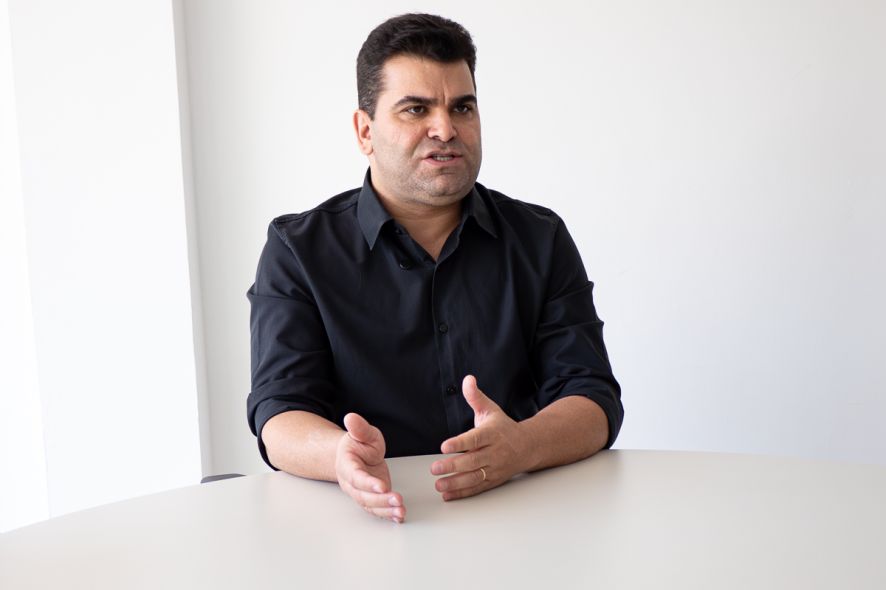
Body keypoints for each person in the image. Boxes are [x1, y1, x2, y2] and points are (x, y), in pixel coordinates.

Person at [247, 13, 623, 524]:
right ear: (365, 131)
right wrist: (339, 456)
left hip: (525, 518)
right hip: (368, 527)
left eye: (462, 107)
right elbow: (279, 410)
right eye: (416, 109)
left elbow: (592, 396)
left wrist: (523, 444)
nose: (445, 129)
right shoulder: (298, 250)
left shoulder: (540, 238)